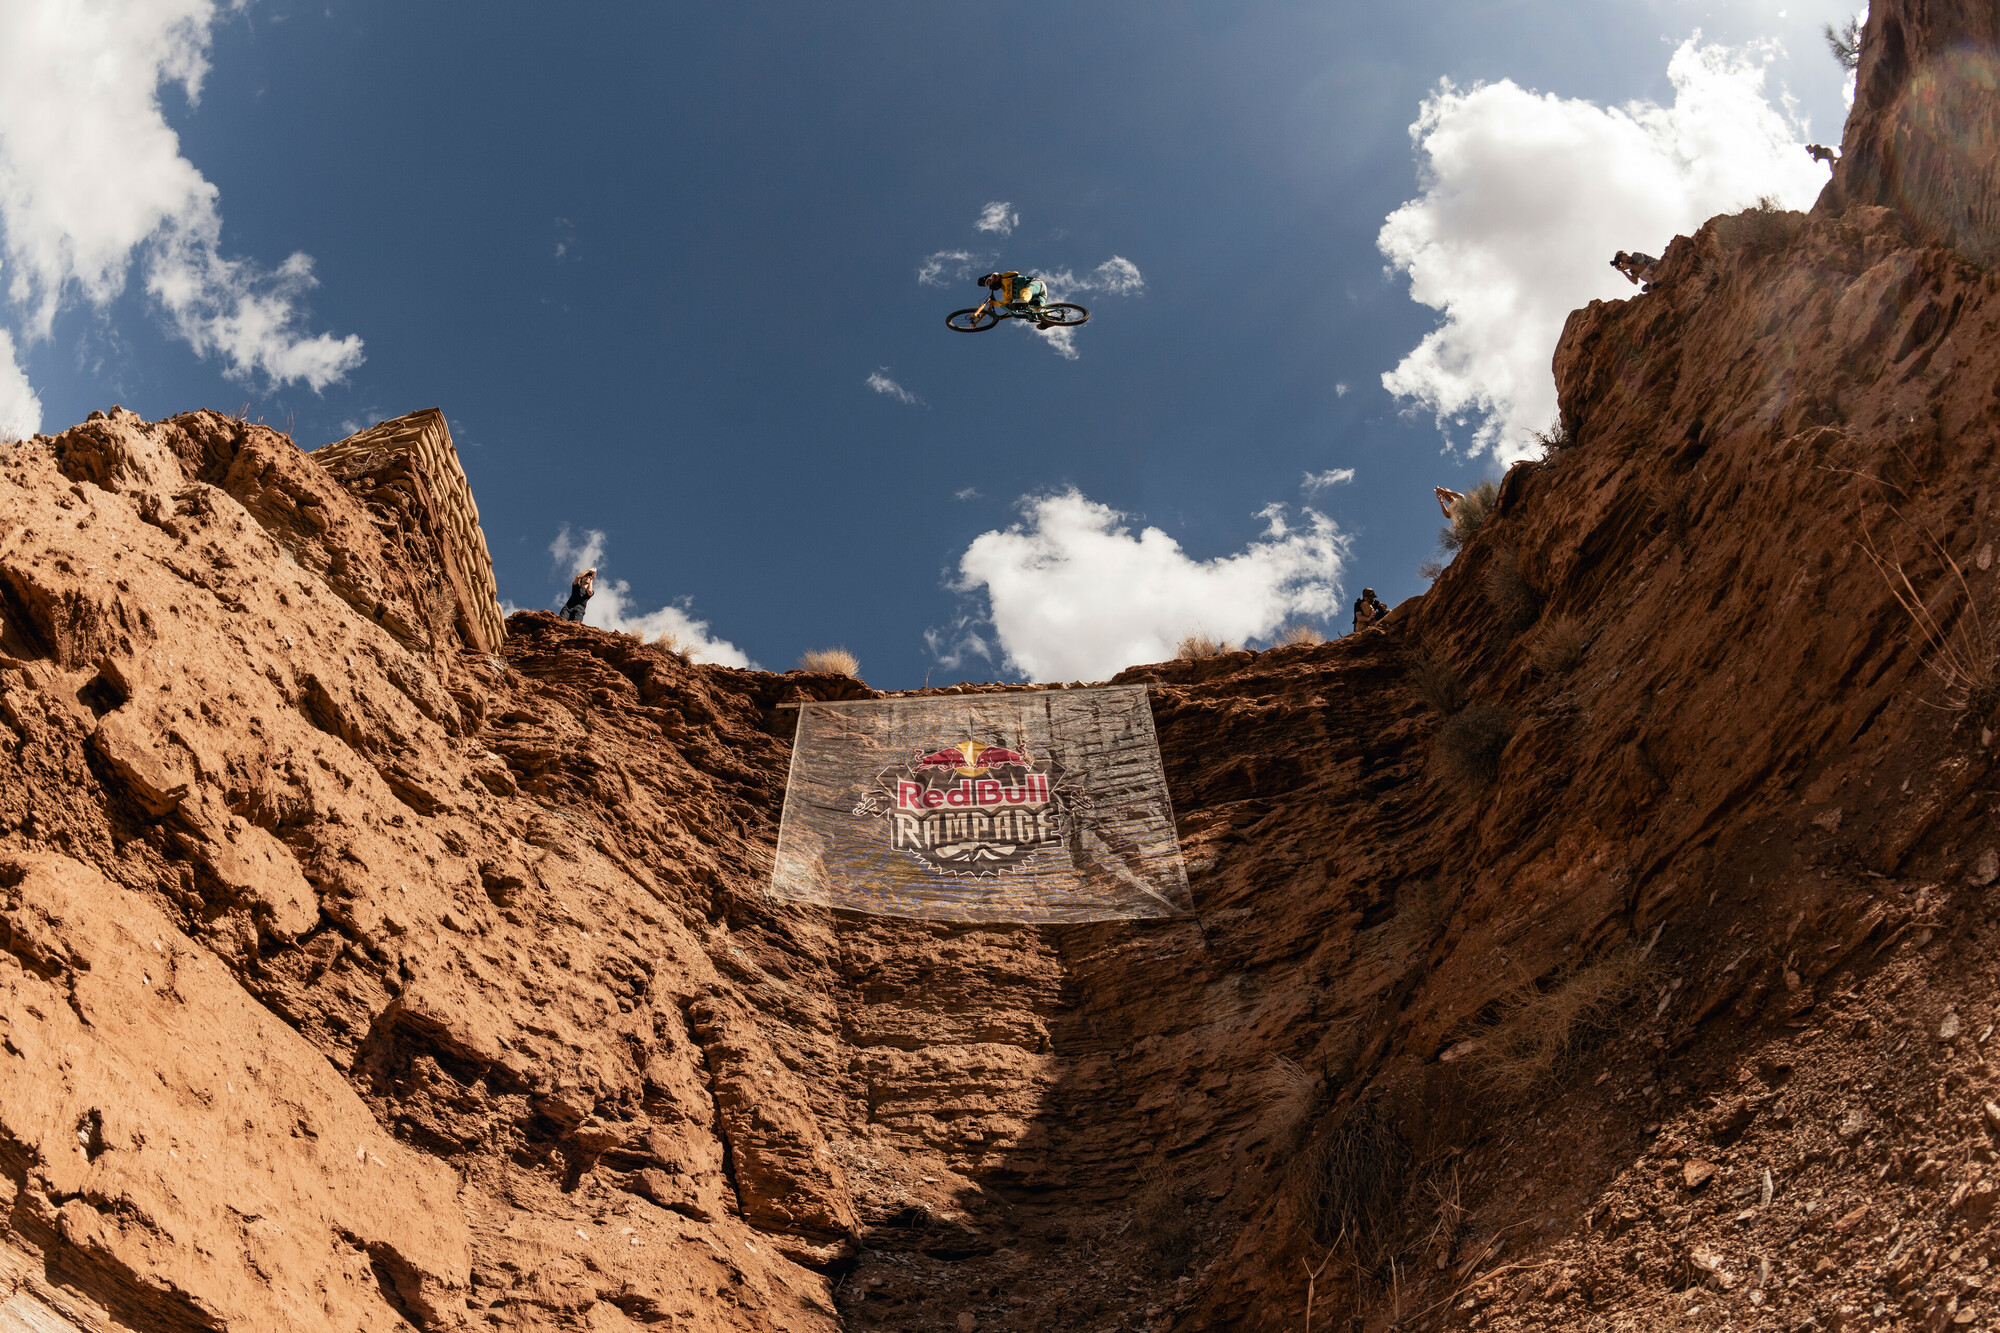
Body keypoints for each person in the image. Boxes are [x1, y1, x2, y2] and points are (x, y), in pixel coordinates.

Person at [979, 271, 1054, 326]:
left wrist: (997, 276)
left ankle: (1023, 301)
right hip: (1034, 297)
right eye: (987, 284)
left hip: (1036, 284)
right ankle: (1050, 321)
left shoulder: (1005, 277)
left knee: (1026, 291)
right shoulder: (1005, 295)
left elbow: (1015, 273)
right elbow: (1007, 306)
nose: (989, 284)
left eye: (989, 281)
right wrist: (997, 309)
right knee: (1038, 309)